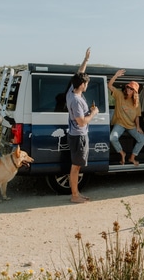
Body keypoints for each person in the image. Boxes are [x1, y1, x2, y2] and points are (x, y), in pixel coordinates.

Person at [66, 47, 99, 203]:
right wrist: (93, 113)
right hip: (79, 135)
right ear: (82, 85)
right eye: (86, 83)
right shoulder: (77, 100)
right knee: (76, 167)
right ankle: (74, 196)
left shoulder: (71, 92)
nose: (87, 85)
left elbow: (78, 75)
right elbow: (81, 121)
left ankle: (77, 193)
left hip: (76, 135)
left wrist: (86, 60)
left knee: (76, 166)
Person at [108, 69, 144, 166]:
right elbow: (109, 86)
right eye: (128, 87)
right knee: (112, 138)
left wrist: (138, 127)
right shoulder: (120, 95)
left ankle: (132, 158)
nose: (128, 89)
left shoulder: (136, 102)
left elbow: (137, 116)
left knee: (142, 140)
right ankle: (122, 153)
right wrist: (116, 75)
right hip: (120, 123)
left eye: (131, 88)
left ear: (135, 91)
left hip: (131, 125)